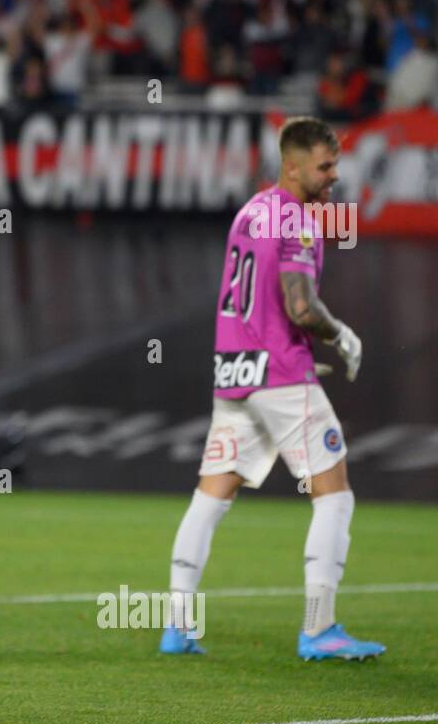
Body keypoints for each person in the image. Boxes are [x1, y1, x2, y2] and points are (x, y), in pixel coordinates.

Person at [159, 116, 383, 662]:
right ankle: (319, 628)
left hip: (235, 371)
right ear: (293, 165)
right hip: (281, 374)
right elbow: (300, 305)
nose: (334, 177)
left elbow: (251, 296)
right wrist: (340, 334)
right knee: (335, 493)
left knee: (211, 497)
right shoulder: (299, 221)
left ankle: (178, 625)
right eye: (325, 166)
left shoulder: (250, 211)